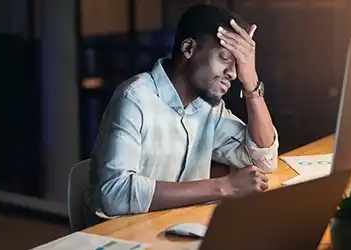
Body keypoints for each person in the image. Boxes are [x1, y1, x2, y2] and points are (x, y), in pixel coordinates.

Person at [83, 4, 279, 225]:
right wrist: (224, 186)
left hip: (177, 232)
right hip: (124, 238)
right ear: (188, 49)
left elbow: (264, 160)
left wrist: (251, 83)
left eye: (239, 64)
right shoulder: (135, 98)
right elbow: (113, 194)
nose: (233, 74)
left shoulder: (208, 108)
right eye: (225, 59)